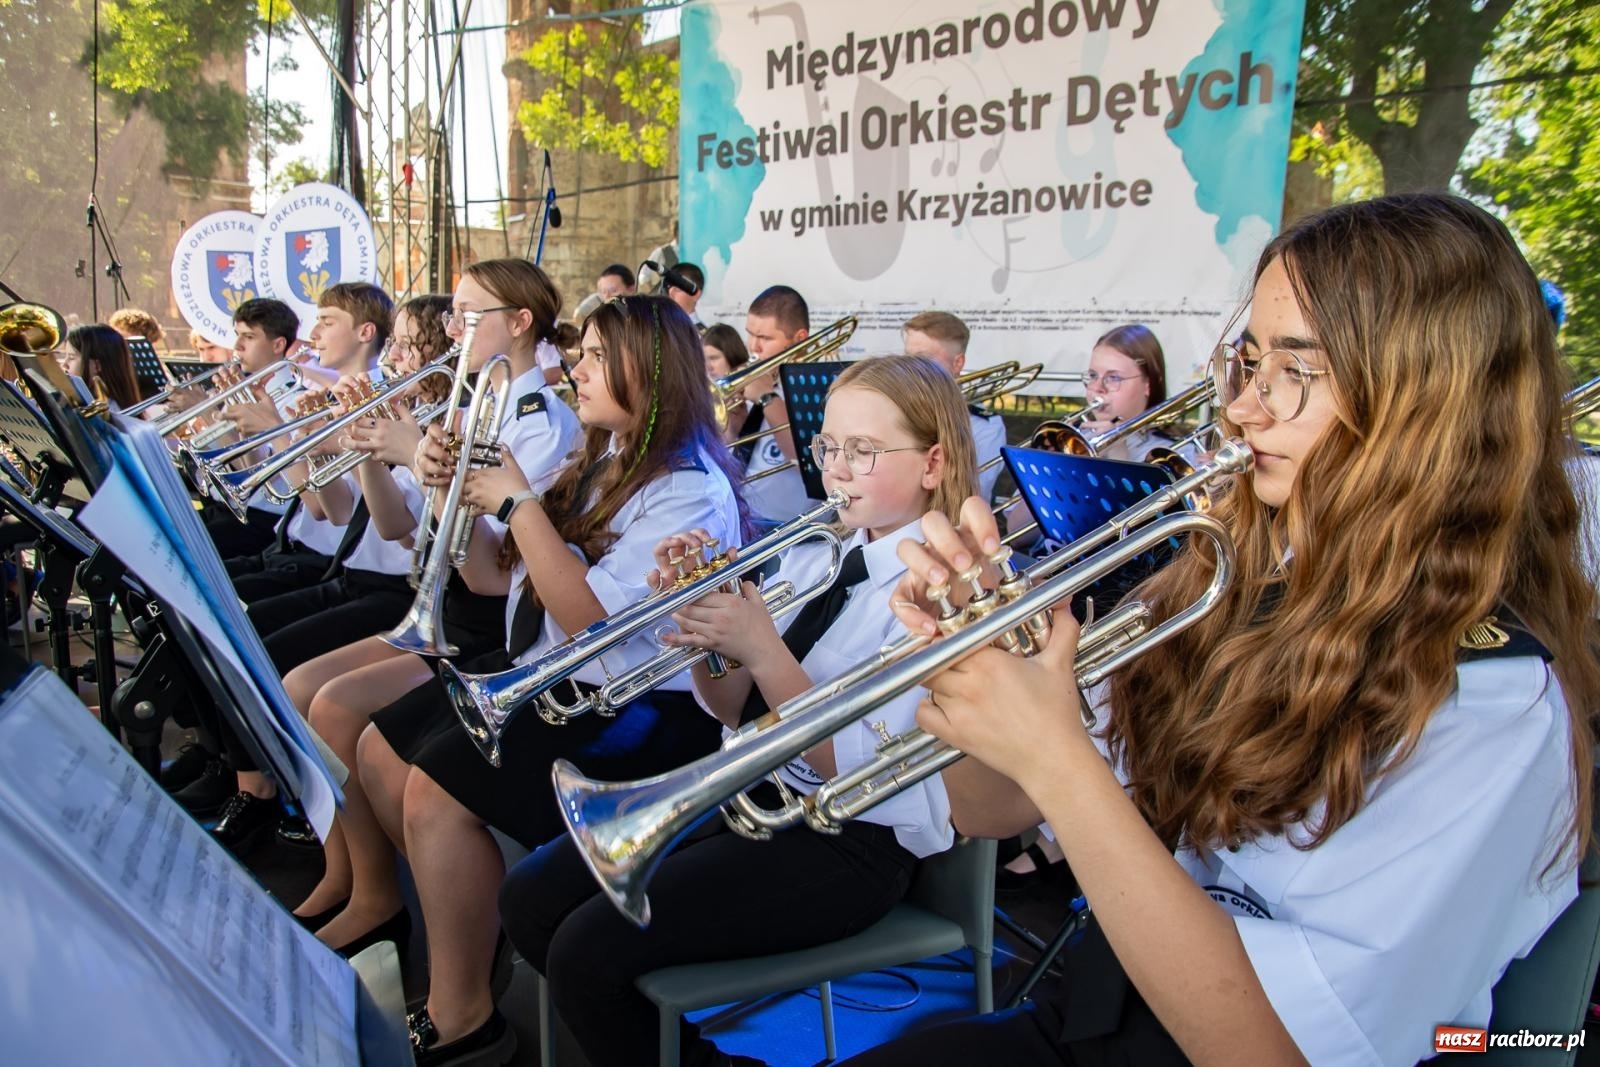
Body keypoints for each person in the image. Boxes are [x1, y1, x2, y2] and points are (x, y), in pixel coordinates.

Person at [842, 193, 1600, 1066]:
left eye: (1297, 372)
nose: (1243, 410)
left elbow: (1267, 1050)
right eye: (1250, 362)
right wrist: (987, 670)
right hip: (1098, 1014)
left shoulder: (1493, 707)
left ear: (1425, 405)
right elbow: (984, 809)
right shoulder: (1234, 587)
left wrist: (1055, 751)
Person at [495, 354, 978, 1067]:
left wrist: (762, 650)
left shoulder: (945, 593)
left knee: (585, 957)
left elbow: (848, 766)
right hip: (754, 790)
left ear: (934, 463)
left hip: (847, 842)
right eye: (828, 446)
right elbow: (728, 706)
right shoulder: (819, 557)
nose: (837, 469)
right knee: (530, 897)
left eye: (863, 450)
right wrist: (702, 625)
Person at [352, 294, 746, 1065]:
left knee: (435, 790)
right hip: (551, 680)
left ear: (650, 371)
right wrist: (449, 487)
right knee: (378, 749)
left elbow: (599, 630)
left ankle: (464, 1012)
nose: (577, 367)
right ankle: (467, 939)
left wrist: (520, 503)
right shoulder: (604, 454)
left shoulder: (689, 487)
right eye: (582, 353)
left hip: (640, 712)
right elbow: (498, 579)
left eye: (597, 356)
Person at [245, 262, 584, 870]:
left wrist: (416, 461)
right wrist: (372, 447)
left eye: (467, 315)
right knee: (300, 688)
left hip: (483, 620)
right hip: (441, 605)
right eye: (452, 315)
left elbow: (490, 572)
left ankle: (381, 886)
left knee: (336, 706)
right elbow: (396, 527)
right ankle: (350, 871)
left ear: (519, 323)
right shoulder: (469, 405)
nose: (453, 329)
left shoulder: (541, 425)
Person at [903, 310, 1007, 501]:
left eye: (923, 358)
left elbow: (971, 495)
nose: (911, 367)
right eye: (907, 357)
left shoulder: (985, 425)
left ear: (957, 363)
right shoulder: (895, 407)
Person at [739, 284, 813, 525]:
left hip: (788, 528)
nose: (753, 347)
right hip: (744, 517)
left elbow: (806, 460)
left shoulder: (815, 387)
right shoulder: (760, 379)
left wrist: (768, 399)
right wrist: (735, 414)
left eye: (765, 338)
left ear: (799, 339)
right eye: (750, 333)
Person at [1077, 323, 1172, 461]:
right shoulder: (1079, 437)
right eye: (1093, 376)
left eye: (1114, 377)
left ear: (1149, 384)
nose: (1098, 388)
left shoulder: (1174, 454)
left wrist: (1118, 455)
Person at [59, 323, 143, 407]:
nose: (64, 364)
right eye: (65, 356)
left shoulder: (108, 410)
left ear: (97, 365)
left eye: (71, 357)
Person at [665, 261, 705, 327]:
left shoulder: (702, 335)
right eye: (668, 288)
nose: (670, 294)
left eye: (677, 289)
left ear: (696, 294)